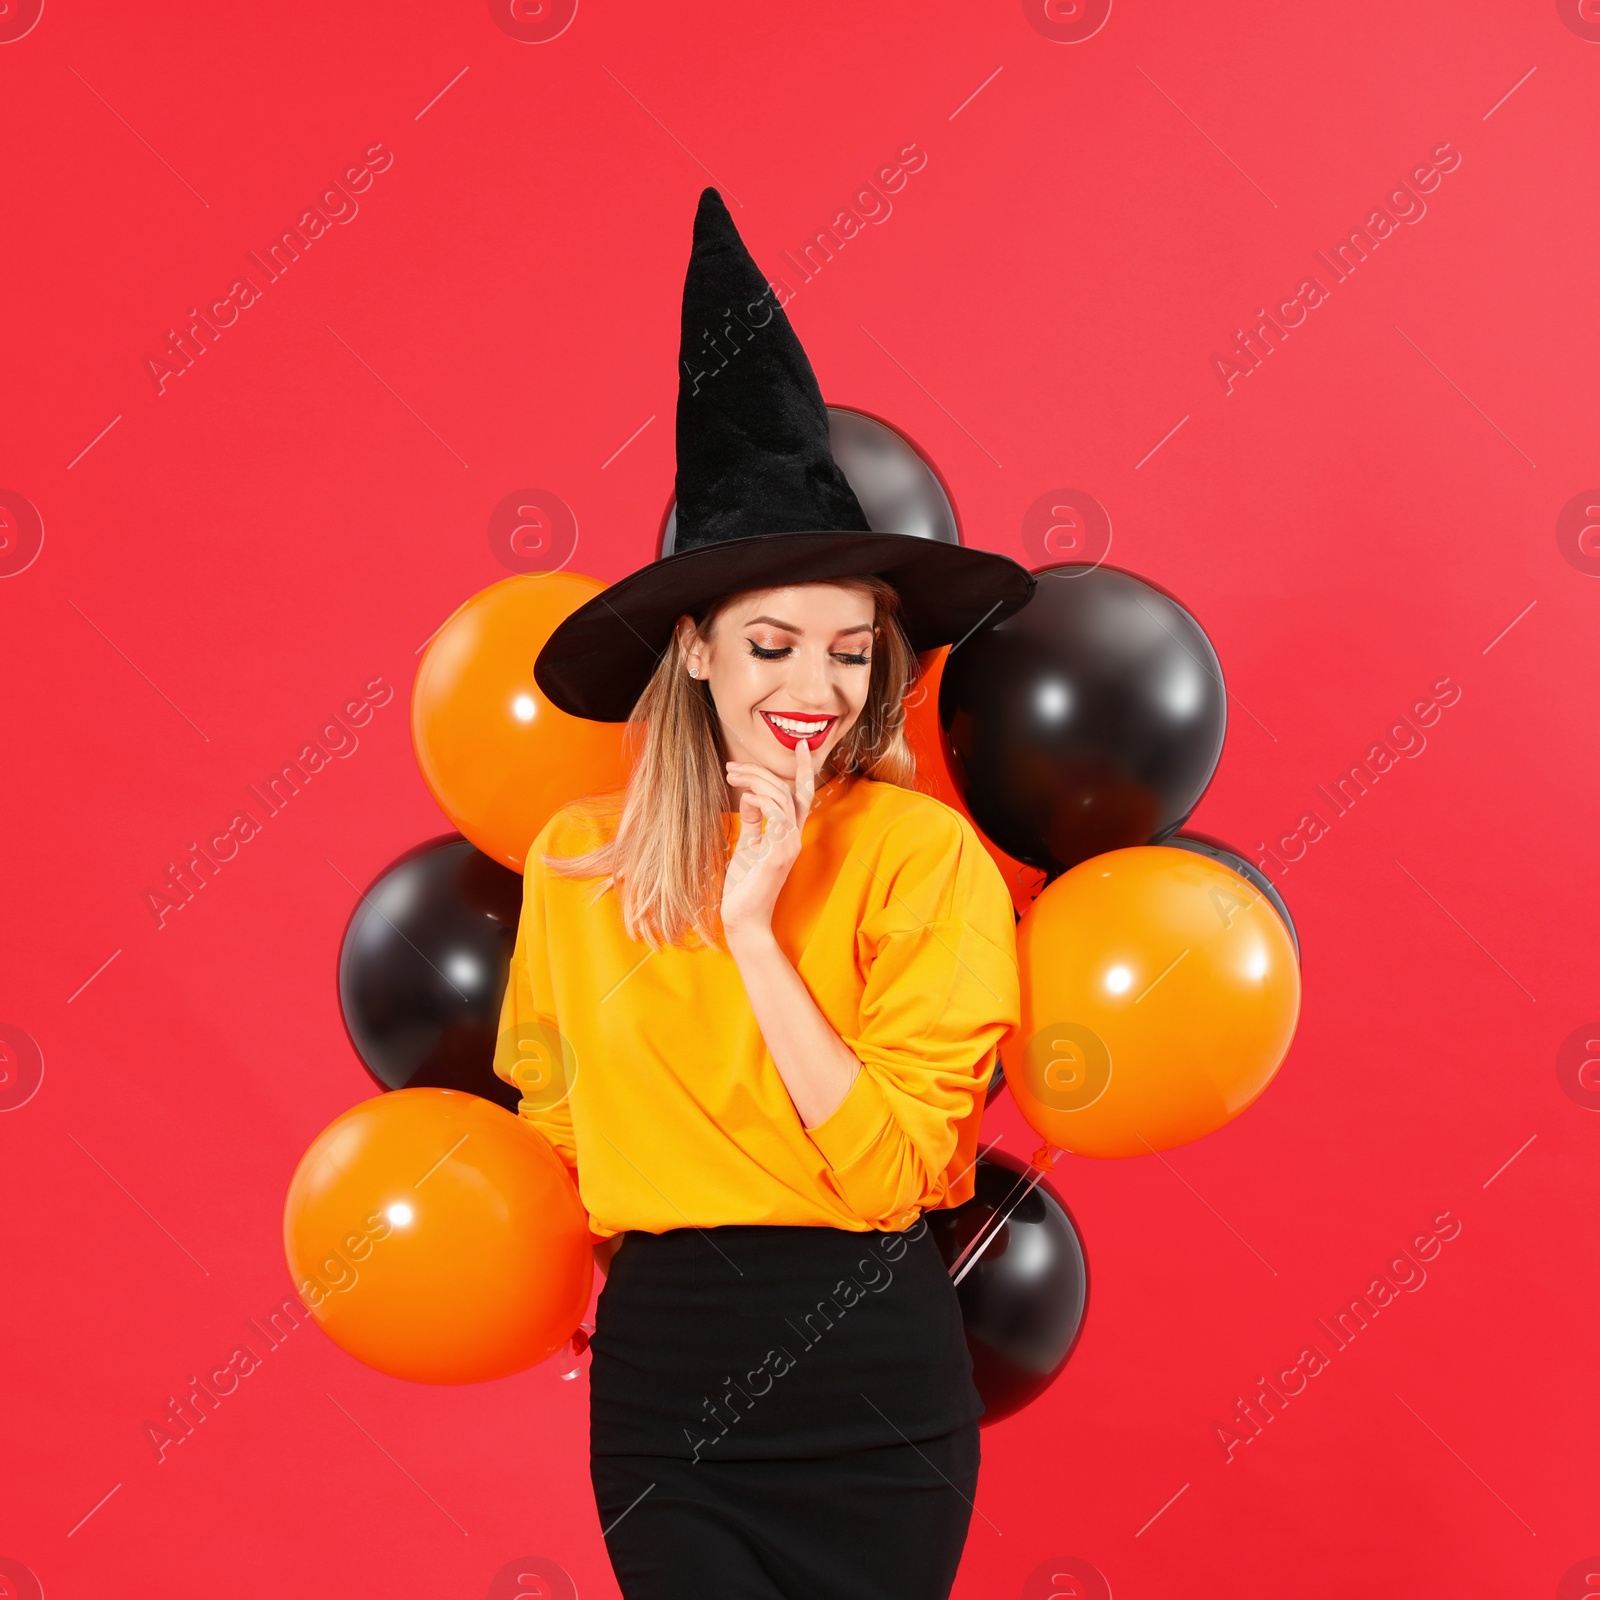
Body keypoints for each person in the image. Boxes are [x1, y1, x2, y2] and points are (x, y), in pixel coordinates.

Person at [493, 188, 1036, 1600]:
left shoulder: (926, 864)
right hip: (669, 1375)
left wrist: (750, 929)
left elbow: (896, 1176)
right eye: (775, 644)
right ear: (691, 651)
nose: (814, 690)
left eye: (853, 655)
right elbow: (552, 1113)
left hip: (867, 1375)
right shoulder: (574, 863)